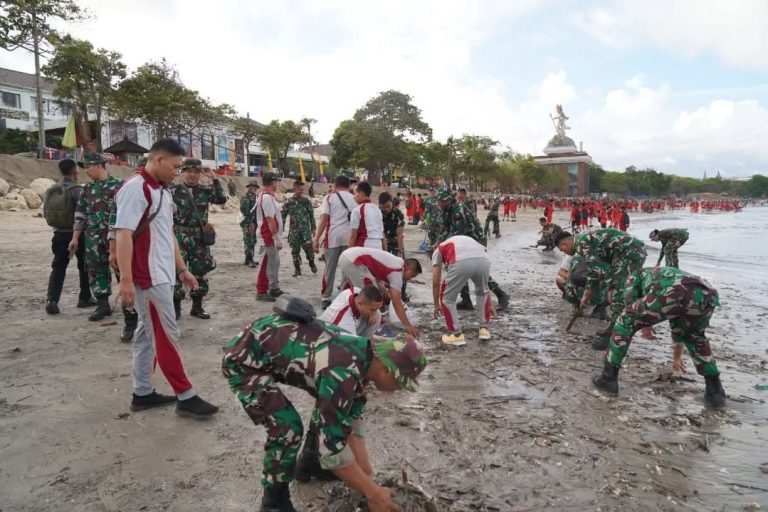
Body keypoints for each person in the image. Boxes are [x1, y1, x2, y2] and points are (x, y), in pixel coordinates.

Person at [222, 297, 426, 512]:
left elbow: (350, 417)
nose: (399, 389)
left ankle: (310, 463)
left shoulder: (363, 356)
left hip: (269, 346)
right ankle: (274, 501)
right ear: (386, 369)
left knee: (334, 411)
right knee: (288, 429)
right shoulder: (342, 374)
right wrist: (373, 494)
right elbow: (331, 451)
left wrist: (367, 474)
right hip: (244, 362)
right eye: (400, 382)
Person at [114, 138, 218, 418]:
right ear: (158, 160)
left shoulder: (162, 191)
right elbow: (122, 233)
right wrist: (125, 280)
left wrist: (182, 269)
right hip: (147, 277)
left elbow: (166, 233)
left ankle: (143, 392)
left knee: (146, 336)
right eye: (175, 166)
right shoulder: (136, 188)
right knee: (166, 335)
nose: (178, 171)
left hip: (162, 273)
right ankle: (186, 395)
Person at [593, 267, 726, 408]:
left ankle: (608, 378)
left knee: (624, 321)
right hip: (707, 293)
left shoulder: (634, 275)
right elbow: (679, 331)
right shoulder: (659, 275)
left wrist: (645, 324)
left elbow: (630, 304)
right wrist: (676, 359)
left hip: (675, 289)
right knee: (695, 337)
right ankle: (715, 391)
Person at [555, 228, 647, 350]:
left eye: (563, 250)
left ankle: (614, 335)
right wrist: (587, 295)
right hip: (621, 254)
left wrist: (611, 287)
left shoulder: (581, 243)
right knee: (615, 290)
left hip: (630, 252)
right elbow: (594, 271)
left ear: (565, 244)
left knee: (617, 293)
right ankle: (613, 328)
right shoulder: (582, 243)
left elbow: (600, 270)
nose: (565, 253)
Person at [69, 154, 123, 322]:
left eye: (88, 167)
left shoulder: (119, 186)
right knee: (96, 270)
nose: (86, 171)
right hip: (93, 237)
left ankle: (131, 304)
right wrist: (75, 238)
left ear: (99, 165)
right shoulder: (87, 189)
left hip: (116, 236)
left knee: (122, 269)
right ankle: (102, 305)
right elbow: (80, 215)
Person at [437, 188, 509, 311]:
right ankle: (466, 300)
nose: (440, 203)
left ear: (450, 200)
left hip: (474, 241)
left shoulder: (457, 211)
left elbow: (456, 232)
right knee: (458, 268)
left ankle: (501, 294)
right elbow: (446, 229)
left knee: (476, 271)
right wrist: (438, 242)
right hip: (463, 241)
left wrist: (441, 246)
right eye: (439, 200)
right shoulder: (446, 210)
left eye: (443, 201)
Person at [171, 159, 226, 319]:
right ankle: (176, 308)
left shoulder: (205, 190)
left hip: (199, 237)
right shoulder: (174, 190)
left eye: (196, 172)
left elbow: (221, 200)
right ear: (183, 172)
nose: (193, 175)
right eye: (189, 171)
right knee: (176, 272)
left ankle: (197, 307)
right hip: (179, 235)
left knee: (200, 271)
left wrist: (214, 178)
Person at [45, 159, 94, 315]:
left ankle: (52, 300)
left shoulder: (52, 189)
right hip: (77, 235)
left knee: (58, 267)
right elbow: (85, 214)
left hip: (58, 233)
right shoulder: (78, 190)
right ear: (75, 172)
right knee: (84, 266)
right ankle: (85, 297)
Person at [337, 247, 422, 338]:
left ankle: (338, 318)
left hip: (347, 256)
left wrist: (385, 292)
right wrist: (407, 324)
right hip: (354, 261)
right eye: (412, 275)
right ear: (409, 270)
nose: (410, 278)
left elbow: (376, 278)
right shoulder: (398, 271)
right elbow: (396, 302)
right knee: (370, 298)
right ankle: (375, 327)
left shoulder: (397, 262)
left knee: (347, 293)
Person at [432, 235, 495, 346]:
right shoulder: (462, 240)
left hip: (461, 262)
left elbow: (436, 282)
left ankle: (456, 335)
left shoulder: (438, 249)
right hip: (484, 260)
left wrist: (436, 304)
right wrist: (490, 302)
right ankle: (484, 329)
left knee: (447, 299)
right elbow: (486, 288)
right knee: (482, 292)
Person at [313, 175, 355, 309]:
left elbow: (324, 219)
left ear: (335, 185)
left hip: (333, 238)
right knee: (347, 269)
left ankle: (326, 297)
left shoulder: (329, 198)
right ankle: (343, 297)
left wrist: (316, 239)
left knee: (329, 269)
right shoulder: (355, 199)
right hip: (350, 239)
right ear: (348, 186)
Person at [255, 172, 284, 301]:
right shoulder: (266, 198)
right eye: (276, 181)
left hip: (269, 234)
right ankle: (261, 291)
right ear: (272, 182)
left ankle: (273, 287)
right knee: (268, 264)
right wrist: (275, 237)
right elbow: (270, 219)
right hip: (267, 235)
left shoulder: (268, 196)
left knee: (274, 263)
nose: (277, 184)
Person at [319, 284, 384, 338]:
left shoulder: (355, 292)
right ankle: (363, 345)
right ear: (360, 303)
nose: (374, 312)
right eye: (372, 310)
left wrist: (373, 313)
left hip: (343, 330)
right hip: (327, 341)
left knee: (378, 315)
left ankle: (366, 341)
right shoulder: (346, 323)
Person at [282, 180, 317, 277]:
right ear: (294, 189)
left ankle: (311, 262)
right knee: (295, 250)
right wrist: (281, 229)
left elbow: (311, 215)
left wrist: (314, 229)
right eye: (299, 189)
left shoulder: (306, 201)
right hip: (294, 231)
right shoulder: (289, 202)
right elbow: (283, 216)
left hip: (305, 230)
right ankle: (297, 269)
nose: (301, 191)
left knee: (308, 248)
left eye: (303, 189)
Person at [348, 181, 384, 249]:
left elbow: (353, 236)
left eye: (355, 193)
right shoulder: (377, 209)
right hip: (378, 246)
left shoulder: (357, 210)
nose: (353, 197)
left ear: (361, 194)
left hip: (364, 246)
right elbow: (382, 234)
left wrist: (349, 253)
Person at [240, 181, 260, 268]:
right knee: (249, 240)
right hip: (248, 222)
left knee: (252, 240)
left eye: (255, 187)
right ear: (249, 187)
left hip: (255, 222)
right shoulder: (245, 197)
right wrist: (250, 223)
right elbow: (246, 212)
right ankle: (249, 259)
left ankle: (248, 259)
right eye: (253, 187)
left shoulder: (256, 197)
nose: (254, 188)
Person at [379, 192, 405, 257]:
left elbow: (399, 234)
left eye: (389, 206)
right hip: (380, 245)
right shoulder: (376, 213)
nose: (387, 209)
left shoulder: (398, 214)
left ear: (392, 203)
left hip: (395, 245)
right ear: (379, 205)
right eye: (384, 207)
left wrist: (400, 252)